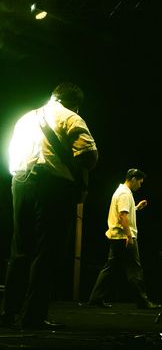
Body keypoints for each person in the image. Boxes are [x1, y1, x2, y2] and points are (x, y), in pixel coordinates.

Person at [0, 82, 98, 329]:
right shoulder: (72, 118)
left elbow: (12, 156)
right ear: (74, 103)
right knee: (47, 252)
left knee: (20, 249)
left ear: (54, 96)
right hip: (52, 186)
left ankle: (8, 312)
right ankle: (33, 316)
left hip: (20, 182)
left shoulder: (25, 118)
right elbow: (89, 156)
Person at [88, 168, 158, 309]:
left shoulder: (122, 192)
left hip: (117, 236)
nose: (140, 185)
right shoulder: (124, 193)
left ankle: (95, 298)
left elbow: (124, 213)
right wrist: (129, 236)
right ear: (133, 179)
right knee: (134, 269)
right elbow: (122, 216)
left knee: (110, 268)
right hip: (123, 236)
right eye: (139, 182)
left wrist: (136, 208)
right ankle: (143, 301)